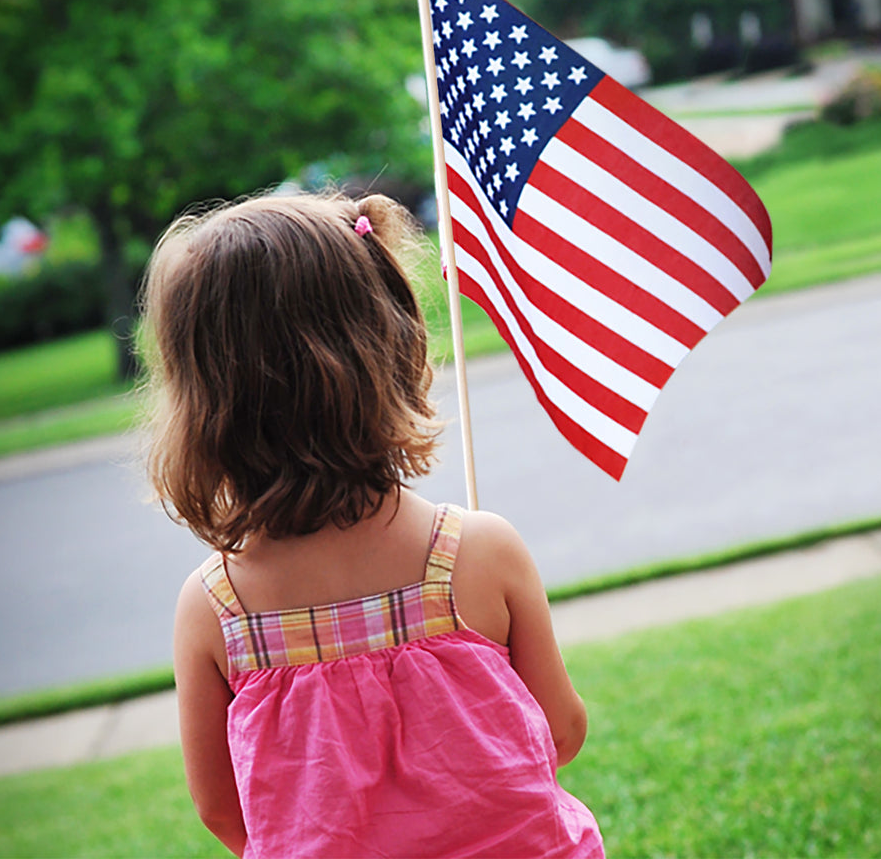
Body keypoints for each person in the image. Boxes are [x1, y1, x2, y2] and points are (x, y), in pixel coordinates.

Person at [141, 191, 604, 858]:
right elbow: (558, 731)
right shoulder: (478, 551)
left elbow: (223, 810)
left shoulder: (217, 609)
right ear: (389, 345)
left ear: (201, 406)